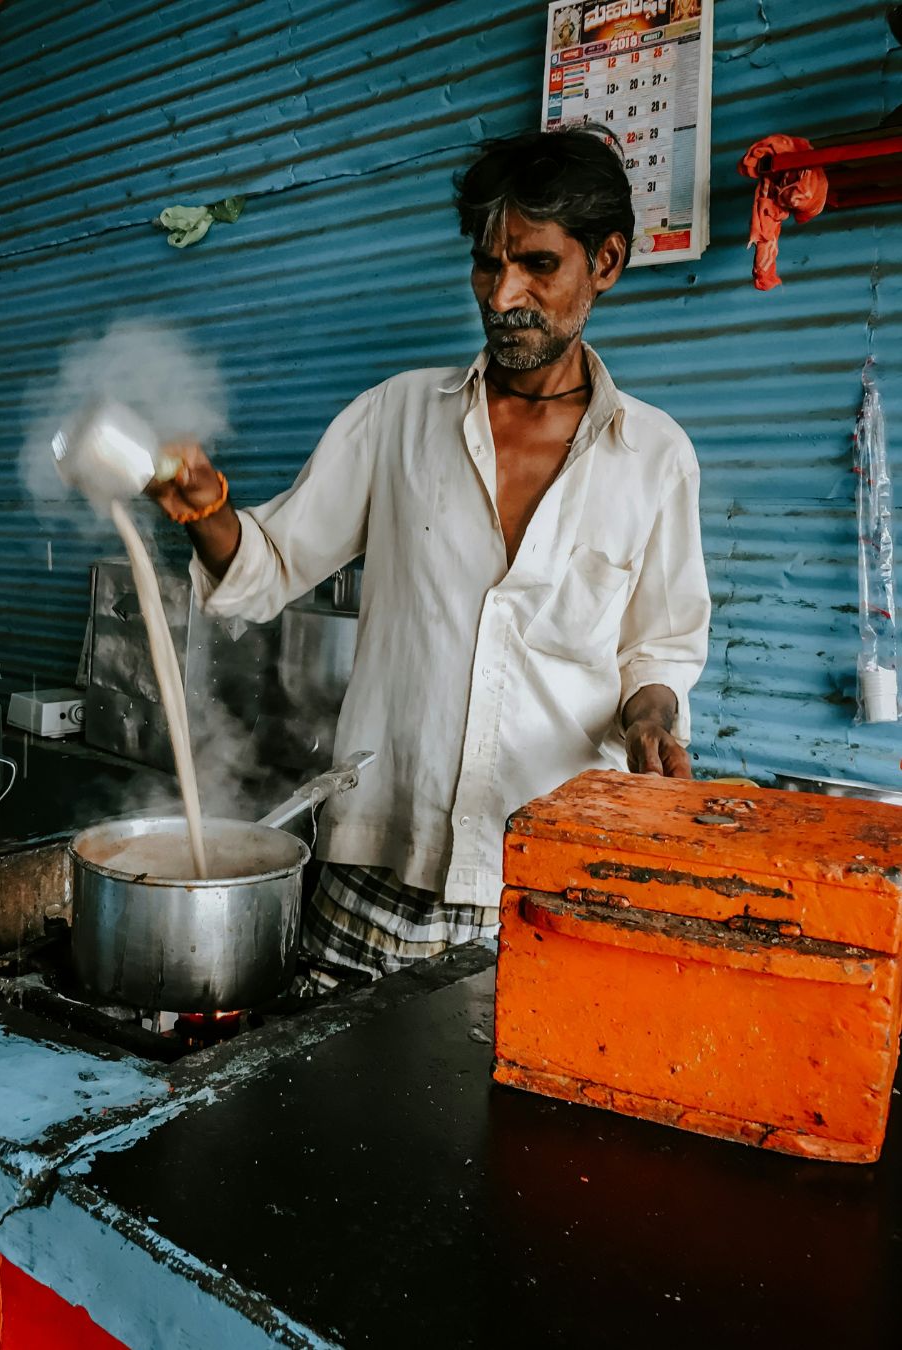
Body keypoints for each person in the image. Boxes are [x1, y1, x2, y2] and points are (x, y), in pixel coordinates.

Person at [149, 127, 711, 986]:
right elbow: (265, 567)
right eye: (488, 265)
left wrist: (651, 720)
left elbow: (660, 646)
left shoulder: (655, 456)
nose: (504, 293)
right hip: (377, 860)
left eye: (538, 265)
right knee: (331, 1109)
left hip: (540, 882)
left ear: (606, 261)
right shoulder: (397, 418)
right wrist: (209, 514)